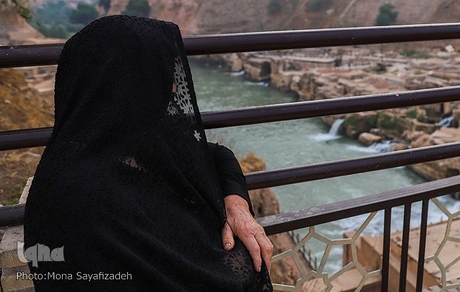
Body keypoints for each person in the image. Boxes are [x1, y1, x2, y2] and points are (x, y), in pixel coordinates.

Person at [24, 15, 273, 291]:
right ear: (124, 82)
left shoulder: (136, 142)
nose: (173, 88)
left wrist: (236, 206)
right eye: (160, 74)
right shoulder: (77, 201)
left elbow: (217, 155)